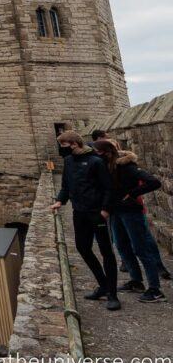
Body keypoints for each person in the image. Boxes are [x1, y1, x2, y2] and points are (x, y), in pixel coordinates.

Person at [50, 131, 121, 310]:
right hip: (79, 211)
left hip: (96, 212)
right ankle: (103, 284)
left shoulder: (96, 162)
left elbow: (108, 188)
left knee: (106, 252)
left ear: (74, 143)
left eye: (63, 145)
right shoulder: (68, 161)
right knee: (83, 247)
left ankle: (113, 294)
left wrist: (105, 210)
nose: (61, 149)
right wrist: (60, 200)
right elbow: (66, 185)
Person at [94, 140, 166, 303]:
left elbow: (154, 182)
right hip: (116, 212)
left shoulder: (127, 166)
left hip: (131, 213)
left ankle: (155, 289)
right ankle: (136, 281)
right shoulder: (107, 167)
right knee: (122, 246)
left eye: (97, 152)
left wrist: (133, 193)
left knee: (141, 249)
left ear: (106, 152)